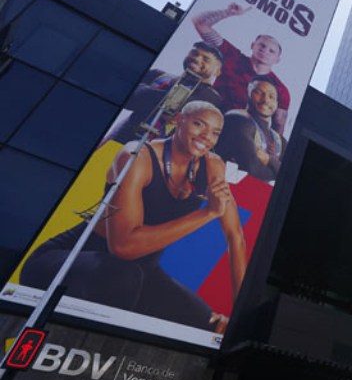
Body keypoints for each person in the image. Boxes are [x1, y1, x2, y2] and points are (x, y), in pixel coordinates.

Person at [22, 102, 247, 333]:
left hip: (141, 273)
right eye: (199, 124)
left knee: (212, 326)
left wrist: (241, 314)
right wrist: (208, 213)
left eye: (215, 133)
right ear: (179, 119)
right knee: (123, 276)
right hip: (70, 260)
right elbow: (123, 247)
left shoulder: (212, 165)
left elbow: (235, 236)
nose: (206, 137)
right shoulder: (137, 156)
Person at [192, 3, 291, 134]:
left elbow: (278, 126)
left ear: (277, 60)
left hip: (240, 134)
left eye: (271, 51)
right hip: (206, 119)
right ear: (252, 45)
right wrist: (227, 12)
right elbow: (200, 23)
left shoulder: (281, 90)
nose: (265, 51)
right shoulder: (233, 56)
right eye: (262, 45)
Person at [106, 42, 225, 144]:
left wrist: (147, 95)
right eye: (194, 53)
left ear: (218, 72)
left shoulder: (212, 98)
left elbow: (173, 106)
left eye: (206, 59)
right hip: (118, 138)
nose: (197, 59)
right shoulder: (159, 75)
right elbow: (128, 96)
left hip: (156, 154)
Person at [217, 77, 287, 182]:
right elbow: (252, 169)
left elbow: (289, 173)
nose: (266, 100)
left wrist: (268, 159)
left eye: (271, 97)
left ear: (276, 103)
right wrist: (277, 169)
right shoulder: (237, 120)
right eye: (258, 93)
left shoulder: (280, 140)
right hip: (225, 185)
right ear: (247, 94)